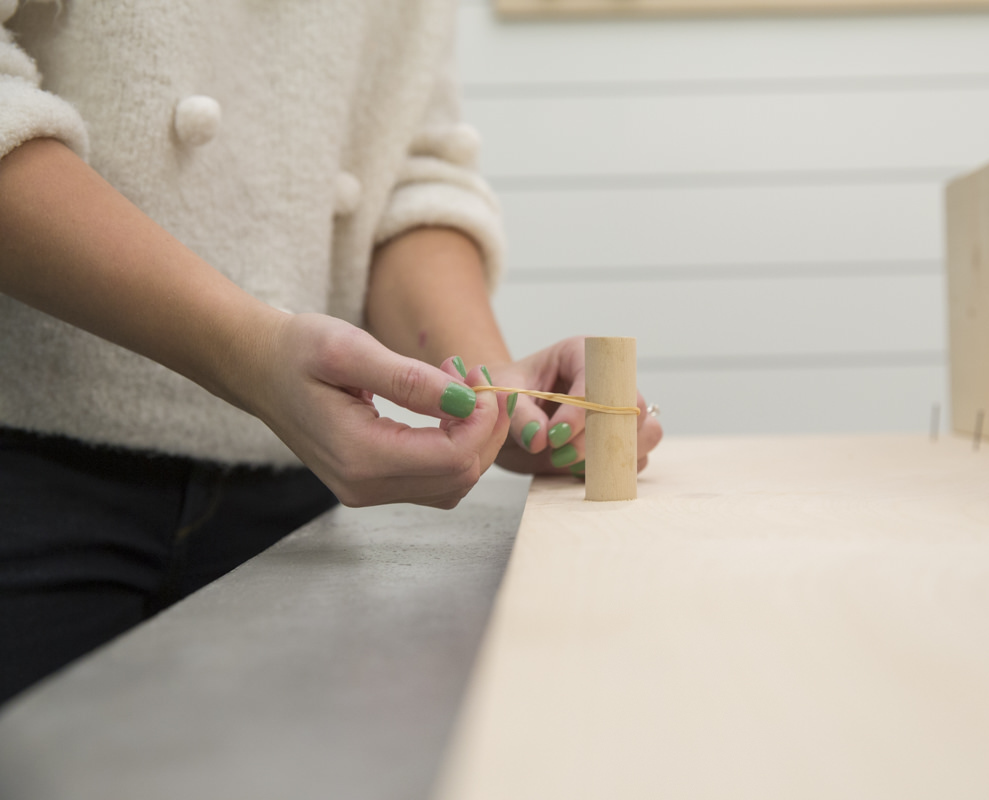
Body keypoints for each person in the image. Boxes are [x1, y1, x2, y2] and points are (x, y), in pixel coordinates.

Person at [0, 0, 664, 704]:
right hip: (27, 473)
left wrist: (496, 389)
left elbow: (407, 170)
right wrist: (246, 348)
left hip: (286, 492)